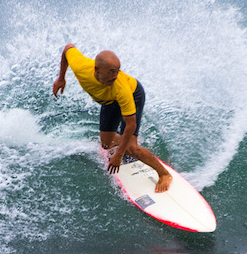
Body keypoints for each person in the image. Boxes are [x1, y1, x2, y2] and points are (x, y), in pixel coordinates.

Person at [52, 44, 172, 193]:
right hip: (109, 101)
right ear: (97, 70)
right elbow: (67, 48)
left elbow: (131, 125)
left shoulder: (121, 87)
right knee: (106, 145)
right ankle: (124, 142)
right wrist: (61, 78)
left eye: (117, 71)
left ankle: (164, 174)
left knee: (130, 148)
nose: (115, 76)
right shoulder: (81, 67)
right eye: (111, 72)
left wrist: (119, 155)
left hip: (133, 95)